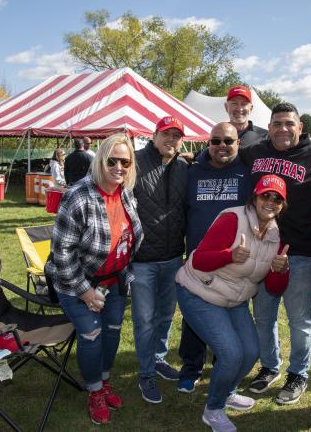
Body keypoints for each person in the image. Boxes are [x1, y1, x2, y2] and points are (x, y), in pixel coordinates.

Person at [175, 174, 290, 432]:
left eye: (277, 199)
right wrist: (229, 255)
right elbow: (198, 261)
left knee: (251, 351)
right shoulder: (233, 218)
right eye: (265, 196)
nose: (270, 202)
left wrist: (281, 270)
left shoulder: (274, 235)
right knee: (231, 354)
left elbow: (272, 288)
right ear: (255, 197)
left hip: (234, 300)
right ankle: (213, 410)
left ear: (282, 205)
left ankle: (227, 391)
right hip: (199, 292)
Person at [239, 102, 311, 405]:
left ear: (300, 127)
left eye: (289, 124)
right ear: (269, 127)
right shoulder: (254, 151)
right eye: (277, 123)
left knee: (299, 320)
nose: (283, 129)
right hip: (262, 250)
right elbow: (224, 158)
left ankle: (299, 373)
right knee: (263, 316)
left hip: (301, 253)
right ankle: (269, 366)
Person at [45, 133, 143, 425]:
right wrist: (86, 292)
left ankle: (104, 381)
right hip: (76, 281)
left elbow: (129, 238)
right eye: (111, 160)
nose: (118, 167)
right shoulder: (78, 195)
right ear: (99, 159)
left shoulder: (126, 192)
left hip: (114, 281)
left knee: (112, 331)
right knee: (91, 334)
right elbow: (61, 254)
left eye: (124, 161)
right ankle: (94, 392)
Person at [178, 122, 251, 394]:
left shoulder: (247, 172)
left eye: (228, 141)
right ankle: (191, 366)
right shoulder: (192, 171)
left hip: (234, 259)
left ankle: (224, 364)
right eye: (216, 141)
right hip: (198, 257)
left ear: (238, 144)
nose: (222, 146)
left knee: (229, 311)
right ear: (208, 143)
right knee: (193, 315)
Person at [130, 115, 188, 404]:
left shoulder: (184, 167)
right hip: (142, 260)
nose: (171, 140)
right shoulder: (134, 163)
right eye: (166, 133)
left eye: (177, 135)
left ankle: (159, 359)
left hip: (173, 257)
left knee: (165, 315)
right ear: (154, 135)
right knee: (144, 320)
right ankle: (146, 373)